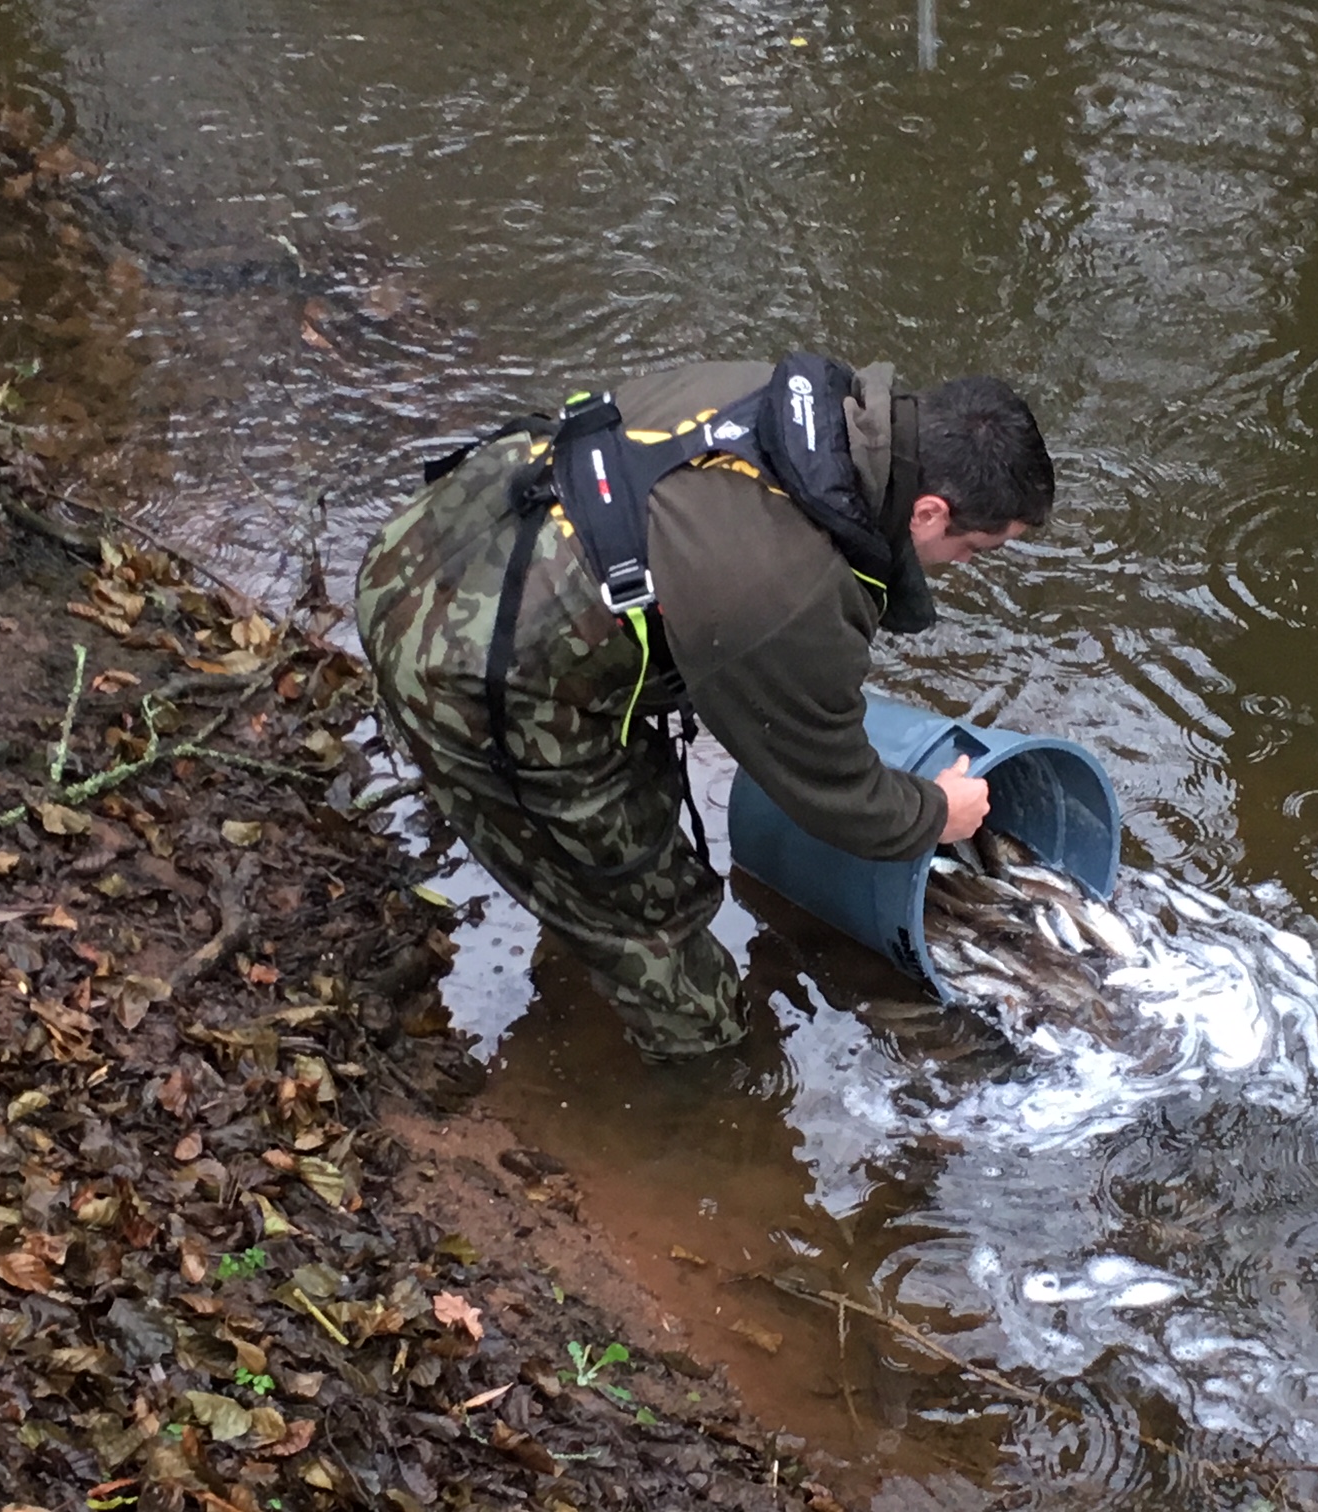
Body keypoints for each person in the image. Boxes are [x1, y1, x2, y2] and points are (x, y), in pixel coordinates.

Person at [355, 354, 1054, 1060]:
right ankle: (698, 1098)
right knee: (655, 928)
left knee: (631, 833)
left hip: (440, 534)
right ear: (930, 511)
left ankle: (573, 934)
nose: (968, 565)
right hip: (471, 666)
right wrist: (939, 814)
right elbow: (832, 790)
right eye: (977, 547)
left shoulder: (802, 400)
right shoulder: (791, 593)